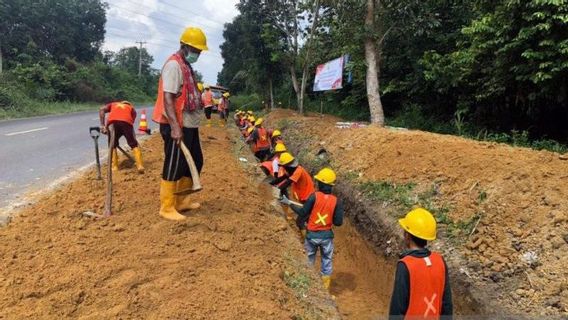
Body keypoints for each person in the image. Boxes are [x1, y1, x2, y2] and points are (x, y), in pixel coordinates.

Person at [152, 26, 208, 221]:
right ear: (184, 46)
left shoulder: (186, 65)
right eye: (196, 50)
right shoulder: (174, 66)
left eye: (200, 51)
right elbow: (168, 98)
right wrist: (175, 127)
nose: (198, 54)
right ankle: (166, 206)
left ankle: (181, 201)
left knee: (195, 161)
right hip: (176, 125)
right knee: (175, 164)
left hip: (189, 124)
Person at [280, 168, 343, 291]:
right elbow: (338, 222)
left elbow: (303, 213)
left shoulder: (313, 197)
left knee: (309, 259)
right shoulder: (337, 201)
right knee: (327, 261)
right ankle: (325, 289)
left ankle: (309, 287)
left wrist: (289, 203)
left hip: (312, 236)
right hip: (327, 238)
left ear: (321, 183)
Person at [389, 208, 453, 319]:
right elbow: (446, 304)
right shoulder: (440, 261)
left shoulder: (405, 265)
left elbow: (398, 308)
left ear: (407, 236)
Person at [99, 100, 144, 173]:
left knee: (112, 145)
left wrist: (102, 126)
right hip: (126, 123)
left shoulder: (113, 104)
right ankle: (140, 165)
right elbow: (130, 124)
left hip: (113, 123)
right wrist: (131, 137)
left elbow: (101, 109)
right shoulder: (132, 109)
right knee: (133, 143)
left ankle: (114, 167)